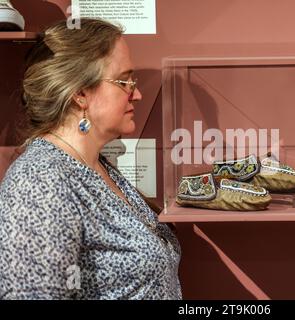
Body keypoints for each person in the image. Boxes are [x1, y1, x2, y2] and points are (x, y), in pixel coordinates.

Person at [0, 18, 182, 300]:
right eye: (125, 81)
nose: (137, 94)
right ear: (81, 94)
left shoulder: (95, 166)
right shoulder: (40, 183)